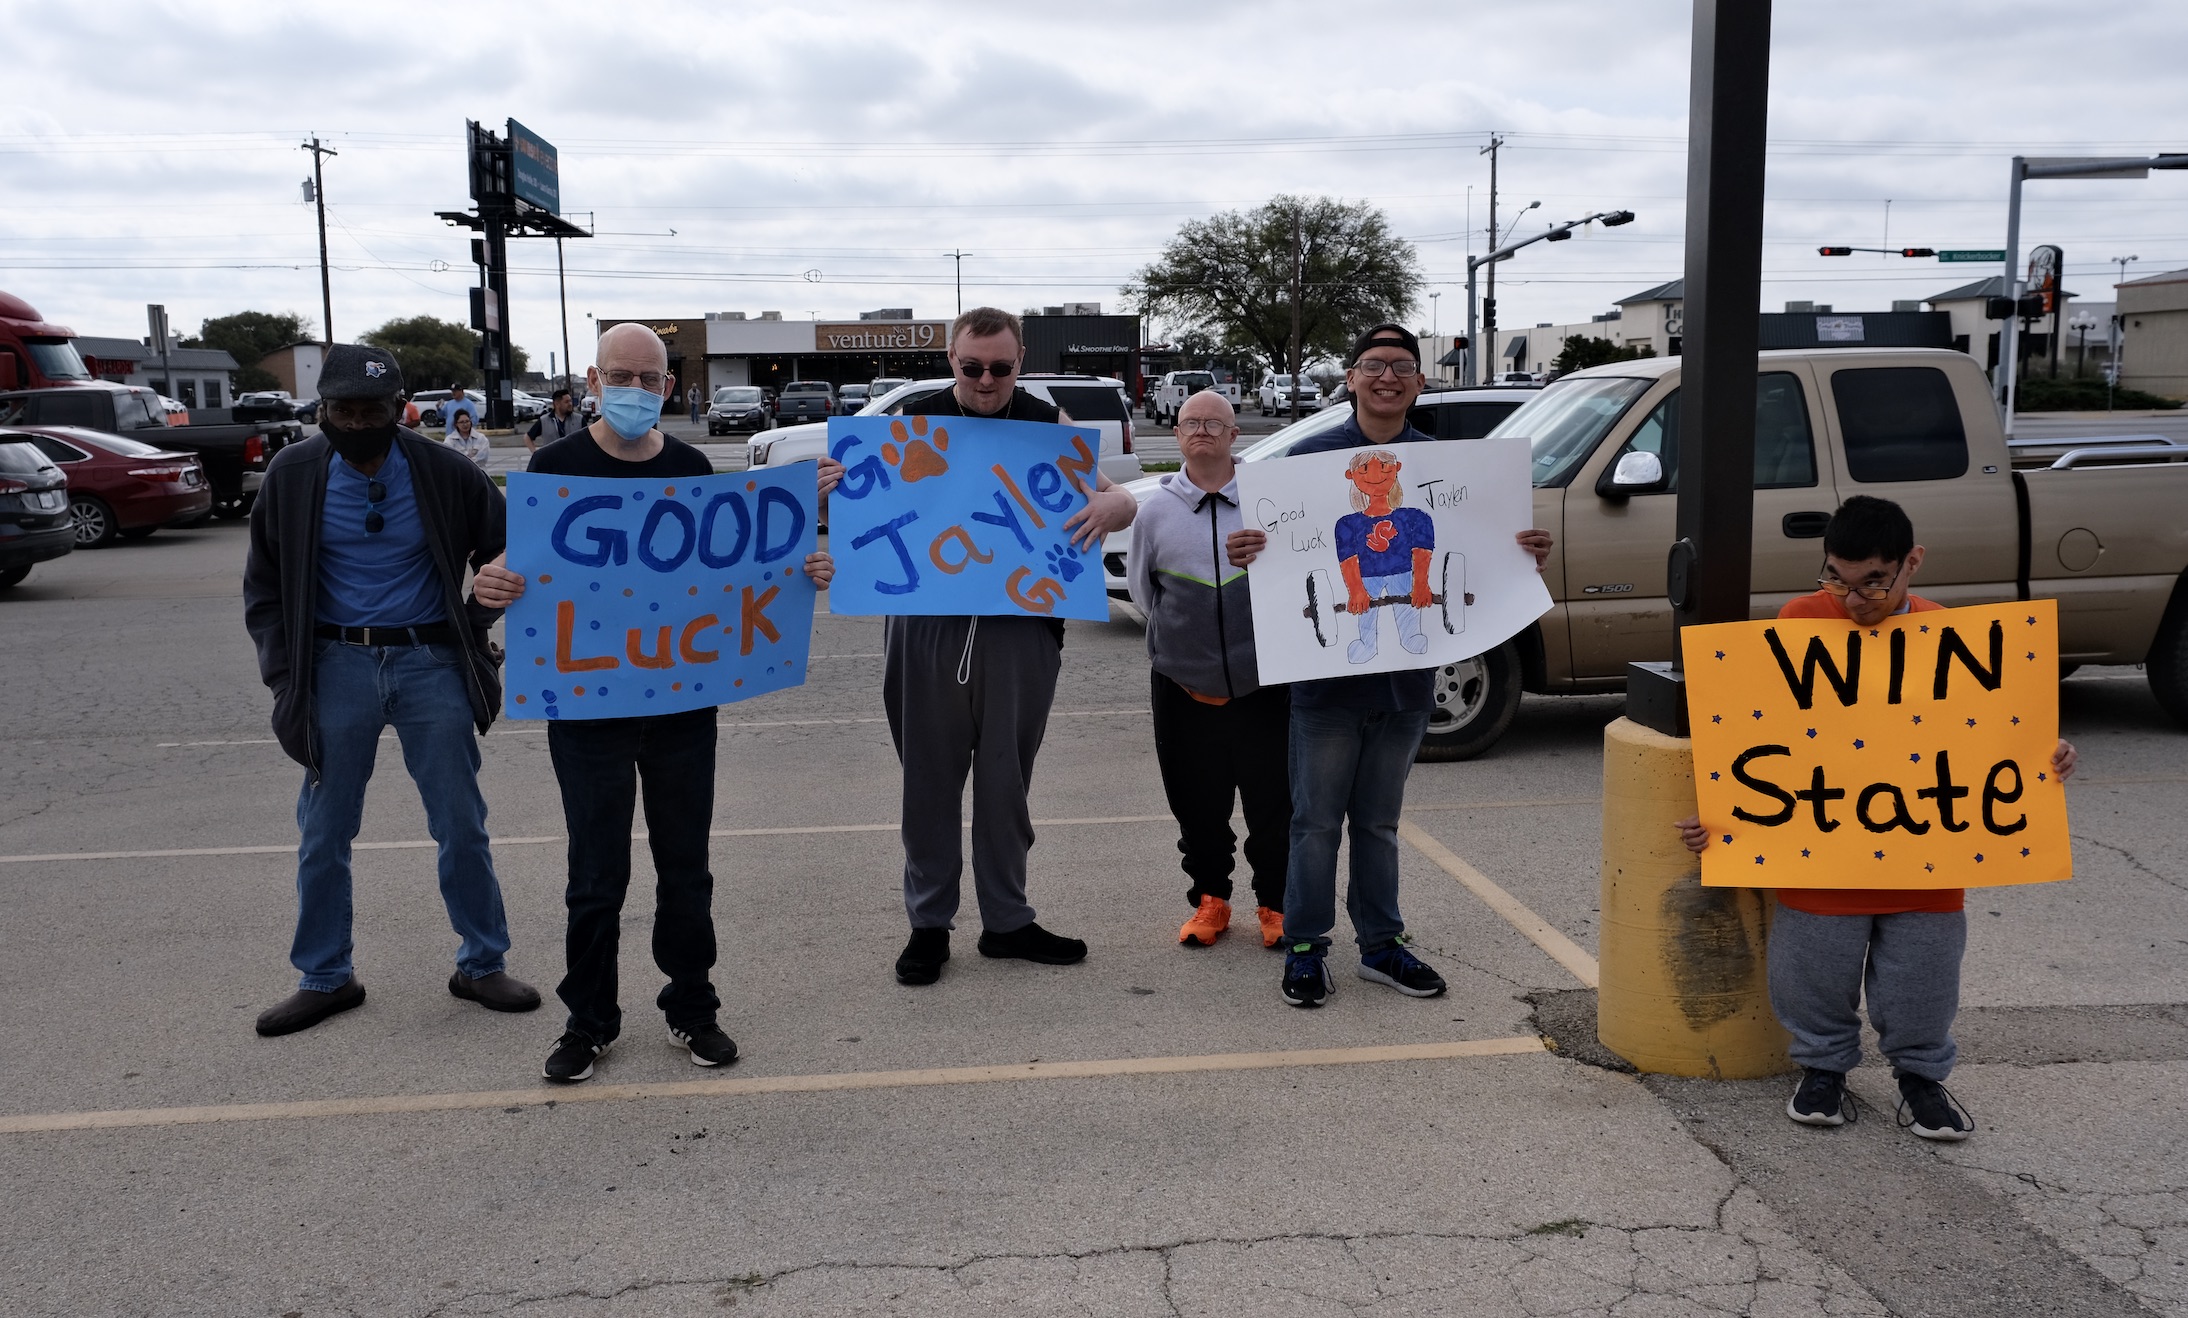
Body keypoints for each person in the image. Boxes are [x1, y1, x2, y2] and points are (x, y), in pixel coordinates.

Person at [471, 323, 842, 1084]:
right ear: (592, 380)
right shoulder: (554, 468)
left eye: (649, 378)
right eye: (621, 376)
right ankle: (590, 1021)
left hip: (680, 708)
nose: (635, 390)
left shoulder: (691, 467)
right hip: (586, 711)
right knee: (595, 875)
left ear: (669, 387)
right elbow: (521, 572)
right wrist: (488, 588)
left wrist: (803, 566)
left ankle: (692, 1007)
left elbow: (731, 568)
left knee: (687, 869)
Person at [1675, 495, 2078, 1139]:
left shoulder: (1951, 636)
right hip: (1823, 860)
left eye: (1872, 582)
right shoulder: (1799, 620)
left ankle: (1921, 1079)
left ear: (1911, 563)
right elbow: (1768, 736)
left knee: (1922, 981)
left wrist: (2044, 759)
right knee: (1812, 974)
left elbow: (1990, 741)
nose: (1854, 598)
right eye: (1836, 577)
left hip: (1928, 864)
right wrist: (1720, 816)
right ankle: (1823, 1071)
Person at [1228, 324, 1552, 1009]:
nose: (1387, 376)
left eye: (1401, 366)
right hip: (1323, 687)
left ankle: (1380, 944)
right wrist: (1251, 548)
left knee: (1378, 823)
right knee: (1315, 823)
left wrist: (1521, 552)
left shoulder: (1453, 471)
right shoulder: (1304, 464)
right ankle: (1308, 947)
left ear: (1419, 382)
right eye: (1373, 364)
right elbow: (1281, 559)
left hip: (1408, 686)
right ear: (1350, 378)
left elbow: (1477, 559)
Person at [242, 343, 539, 1037]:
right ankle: (325, 975)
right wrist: (287, 676)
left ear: (398, 410)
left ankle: (481, 963)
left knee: (460, 823)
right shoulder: (291, 476)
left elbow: (509, 550)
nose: (354, 423)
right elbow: (263, 589)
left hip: (428, 662)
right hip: (333, 667)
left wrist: (474, 619)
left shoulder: (443, 471)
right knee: (323, 832)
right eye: (340, 410)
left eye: (369, 411)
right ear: (322, 412)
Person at [886, 306, 1142, 986]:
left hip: (1022, 628)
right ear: (951, 360)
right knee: (929, 784)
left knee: (1006, 783)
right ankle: (928, 925)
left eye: (1001, 367)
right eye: (972, 367)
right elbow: (868, 504)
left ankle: (1006, 919)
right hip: (929, 627)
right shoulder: (914, 425)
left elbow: (1112, 495)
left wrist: (1121, 506)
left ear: (1020, 360)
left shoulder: (1042, 424)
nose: (986, 380)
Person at [1128, 390, 1290, 950]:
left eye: (1214, 422)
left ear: (1233, 433)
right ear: (1176, 434)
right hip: (1182, 687)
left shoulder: (1269, 502)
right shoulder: (1154, 510)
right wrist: (1185, 650)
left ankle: (1276, 903)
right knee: (1197, 804)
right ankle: (1210, 901)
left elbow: (1297, 579)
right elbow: (1145, 595)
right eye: (1190, 422)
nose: (1202, 430)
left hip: (1265, 684)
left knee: (1275, 803)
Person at [526, 387, 582, 454]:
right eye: (566, 402)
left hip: (574, 461)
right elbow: (527, 437)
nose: (570, 404)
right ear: (557, 404)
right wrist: (536, 454)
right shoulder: (544, 420)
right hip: (551, 461)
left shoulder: (579, 419)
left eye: (570, 401)